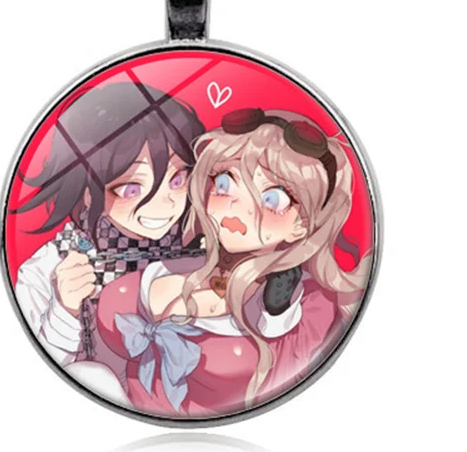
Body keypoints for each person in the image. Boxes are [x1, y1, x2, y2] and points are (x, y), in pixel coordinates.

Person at [94, 108, 372, 416]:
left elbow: (288, 387)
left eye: (273, 199)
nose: (236, 208)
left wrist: (277, 314)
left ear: (301, 225)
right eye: (225, 184)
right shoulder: (168, 268)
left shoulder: (301, 306)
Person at [10, 81, 204, 405]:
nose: (165, 203)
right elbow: (36, 375)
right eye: (131, 189)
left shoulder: (201, 246)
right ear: (88, 191)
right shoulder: (52, 267)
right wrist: (65, 309)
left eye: (177, 180)